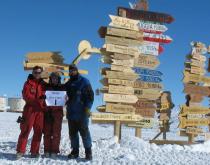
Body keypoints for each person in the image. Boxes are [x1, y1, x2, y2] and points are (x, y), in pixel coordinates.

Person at [16, 66, 46, 159]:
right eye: (35, 72)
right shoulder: (28, 83)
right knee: (25, 130)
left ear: (41, 73)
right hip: (30, 110)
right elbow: (26, 96)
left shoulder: (43, 84)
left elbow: (47, 96)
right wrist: (38, 100)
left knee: (38, 131)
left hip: (40, 111)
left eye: (39, 72)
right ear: (33, 73)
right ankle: (20, 151)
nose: (37, 74)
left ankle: (34, 151)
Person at [65, 64, 94, 160]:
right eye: (70, 70)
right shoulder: (68, 83)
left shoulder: (84, 81)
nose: (72, 72)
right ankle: (75, 151)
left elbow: (90, 97)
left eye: (73, 70)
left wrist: (87, 108)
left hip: (82, 114)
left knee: (85, 133)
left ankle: (88, 152)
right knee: (72, 134)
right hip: (71, 114)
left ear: (77, 70)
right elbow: (61, 94)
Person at [43, 72, 65, 158]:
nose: (54, 80)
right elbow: (43, 99)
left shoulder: (62, 88)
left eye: (56, 78)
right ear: (50, 79)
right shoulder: (47, 88)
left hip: (58, 113)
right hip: (48, 112)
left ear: (58, 79)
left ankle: (54, 151)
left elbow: (65, 100)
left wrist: (66, 98)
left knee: (56, 133)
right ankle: (47, 150)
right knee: (47, 133)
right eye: (52, 78)